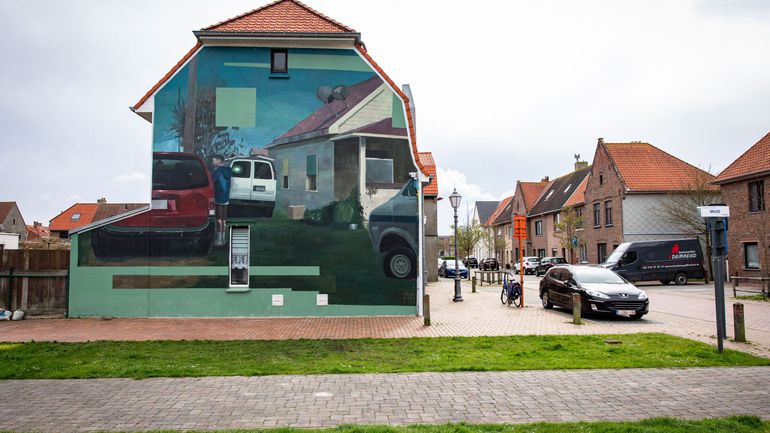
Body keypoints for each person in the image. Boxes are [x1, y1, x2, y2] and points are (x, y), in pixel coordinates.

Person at [211, 154, 232, 246]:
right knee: (223, 219)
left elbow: (212, 182)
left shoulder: (217, 171)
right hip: (226, 196)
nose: (213, 162)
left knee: (218, 219)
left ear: (219, 161)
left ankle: (219, 240)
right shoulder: (228, 170)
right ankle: (223, 239)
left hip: (218, 196)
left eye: (214, 160)